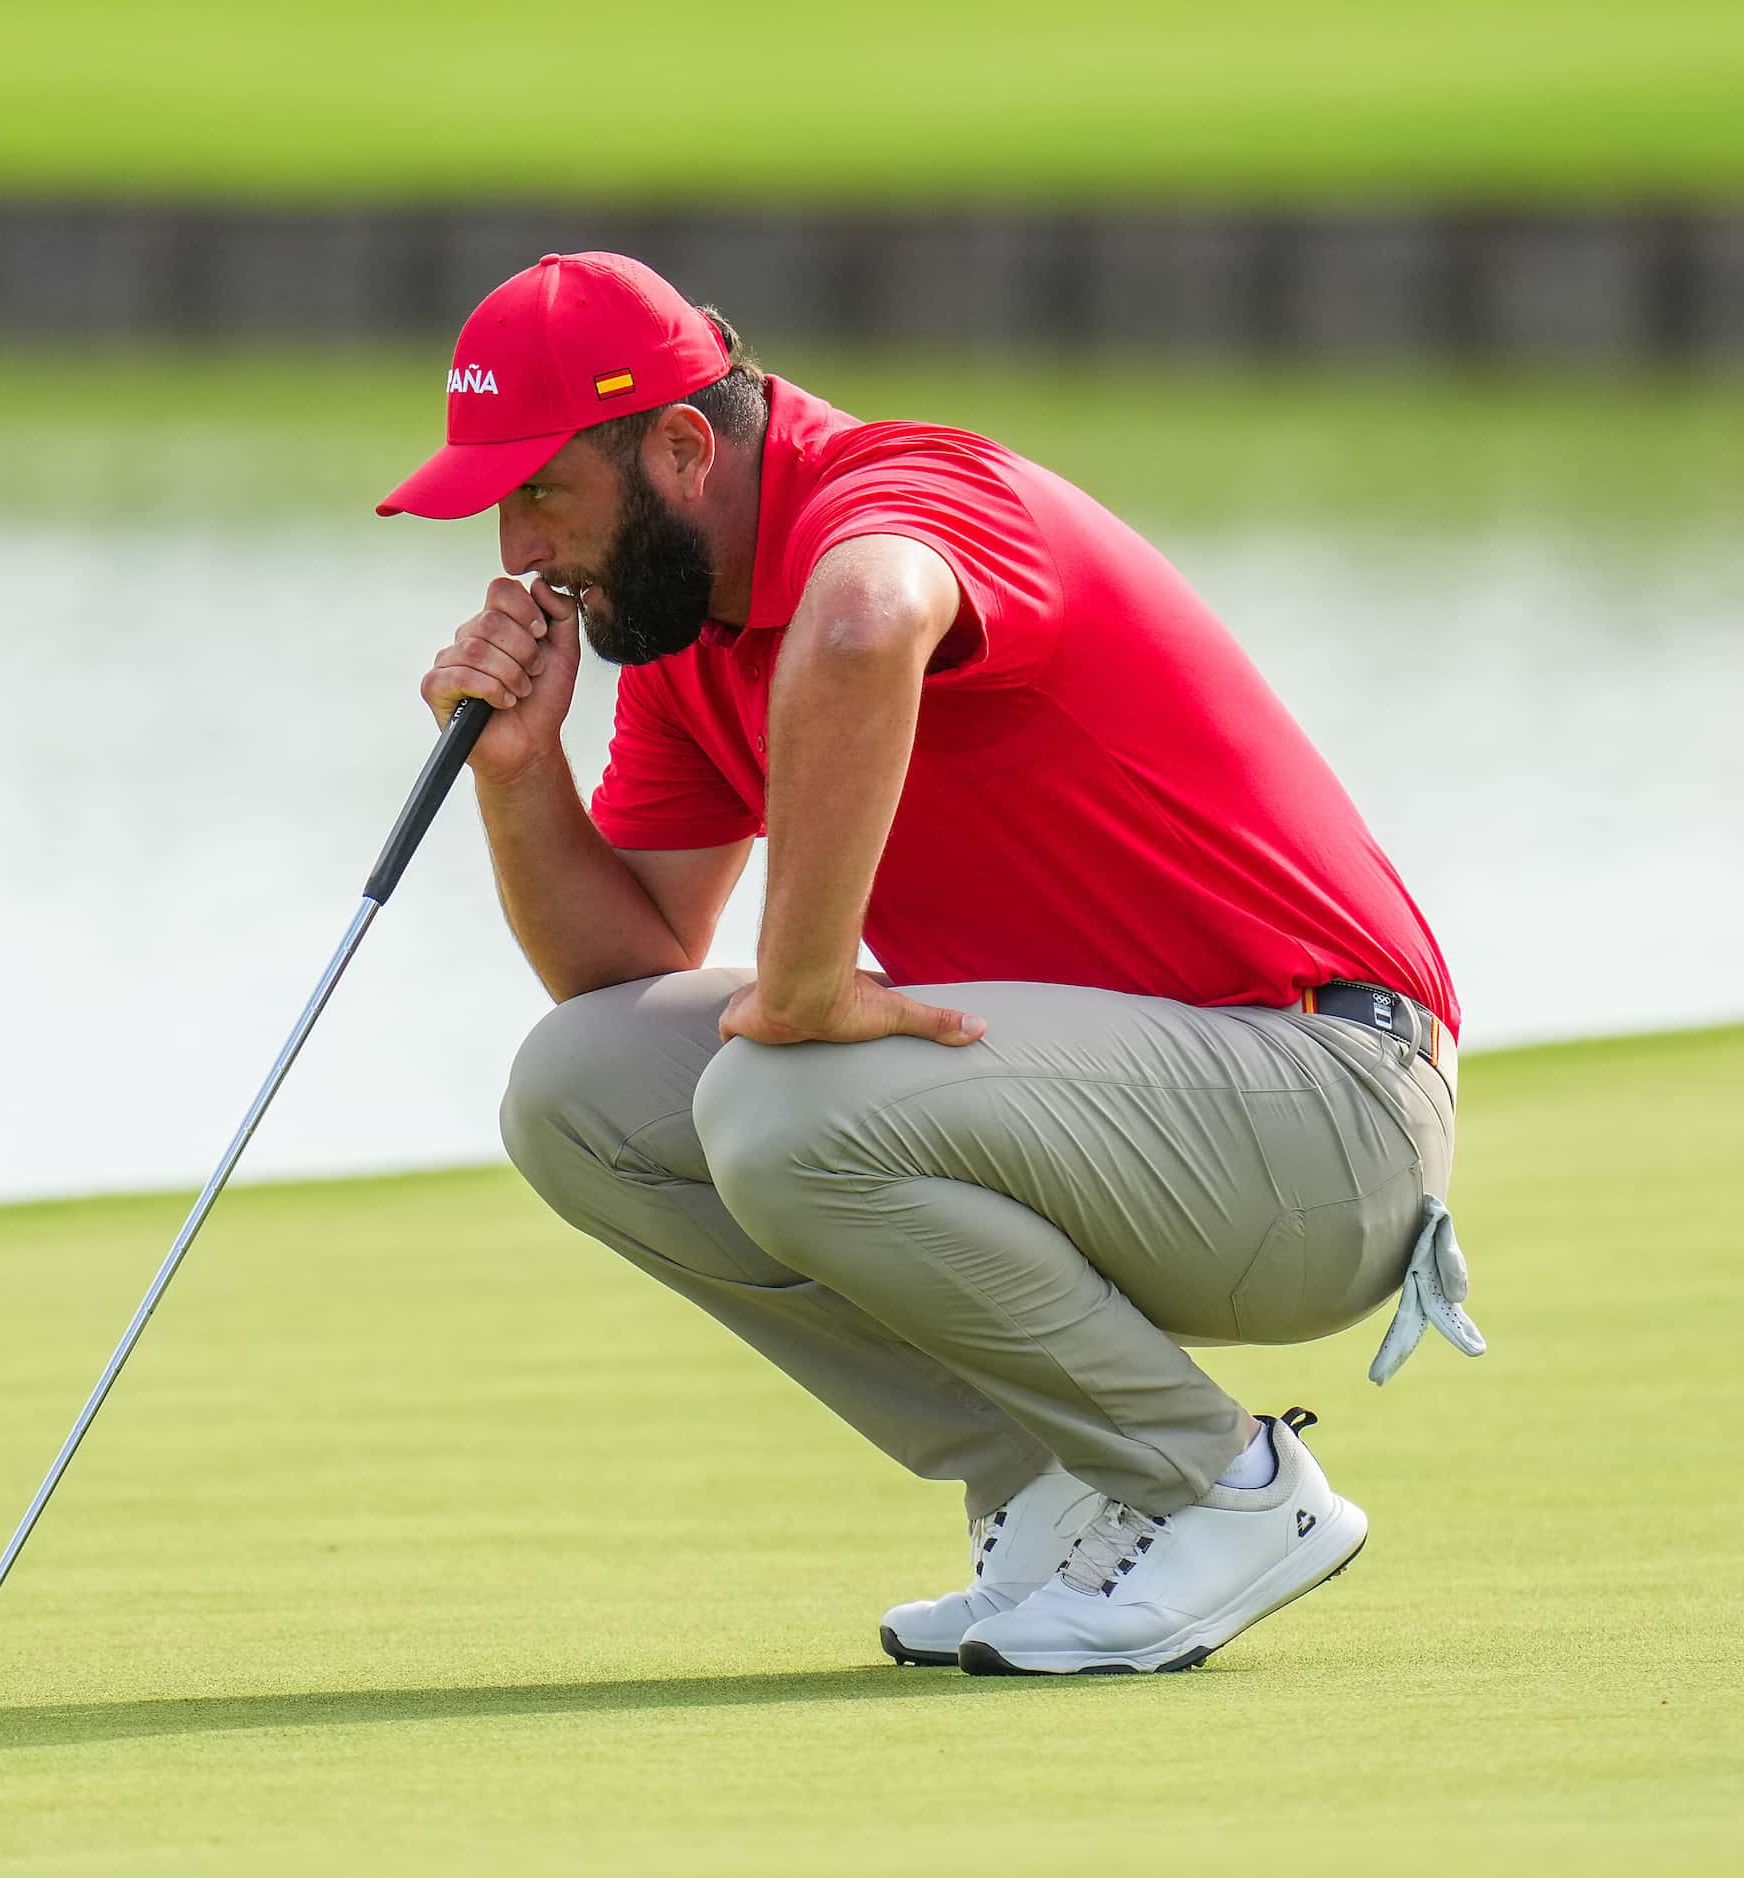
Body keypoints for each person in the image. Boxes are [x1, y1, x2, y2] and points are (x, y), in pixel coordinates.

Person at [382, 252, 1481, 1676]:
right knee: (578, 1086)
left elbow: (862, 623)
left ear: (680, 446)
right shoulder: (678, 631)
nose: (522, 553)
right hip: (1135, 1122)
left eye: (544, 493)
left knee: (778, 1101)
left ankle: (1224, 1488)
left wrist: (802, 991)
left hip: (1327, 1110)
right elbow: (629, 973)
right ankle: (1051, 1480)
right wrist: (520, 774)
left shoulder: (902, 492)